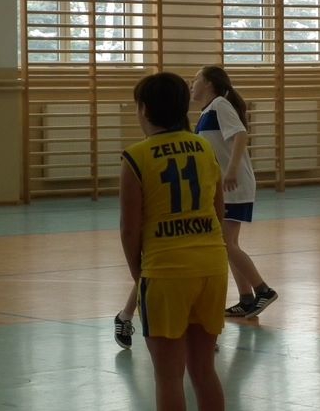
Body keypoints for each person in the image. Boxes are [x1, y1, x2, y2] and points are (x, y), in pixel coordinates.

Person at [117, 72, 227, 411]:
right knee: (204, 370)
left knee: (168, 377)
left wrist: (139, 274)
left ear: (144, 109)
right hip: (212, 266)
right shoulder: (204, 148)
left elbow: (129, 229)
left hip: (165, 271)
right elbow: (218, 210)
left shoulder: (136, 156)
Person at [191, 65, 278, 319]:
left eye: (196, 79)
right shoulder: (207, 111)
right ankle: (246, 299)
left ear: (209, 83)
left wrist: (230, 170)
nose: (191, 84)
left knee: (225, 243)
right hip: (224, 187)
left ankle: (263, 290)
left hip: (233, 185)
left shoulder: (220, 104)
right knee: (229, 243)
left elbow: (240, 135)